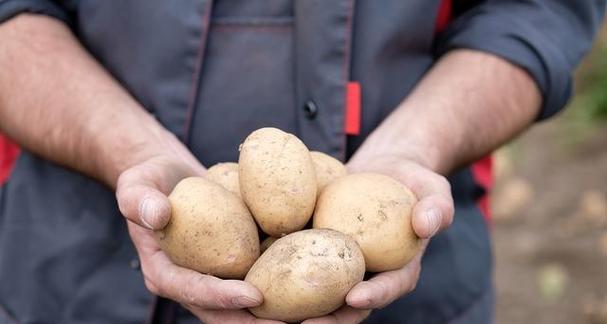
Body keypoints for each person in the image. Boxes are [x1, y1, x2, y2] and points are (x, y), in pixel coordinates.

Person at [0, 1, 604, 323]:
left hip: (418, 298)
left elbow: (537, 10)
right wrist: (128, 149)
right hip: (74, 279)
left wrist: (419, 144)